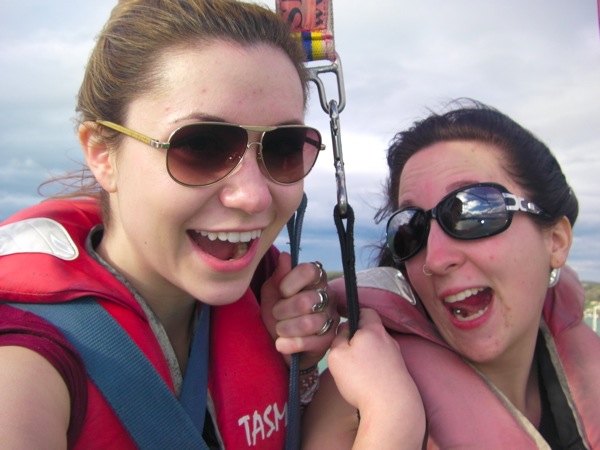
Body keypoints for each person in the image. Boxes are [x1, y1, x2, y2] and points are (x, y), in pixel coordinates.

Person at [0, 1, 341, 448]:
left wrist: (301, 370)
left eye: (283, 147)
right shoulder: (27, 364)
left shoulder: (268, 298)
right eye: (201, 145)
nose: (255, 195)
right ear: (103, 154)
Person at [304, 100, 600, 449]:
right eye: (411, 228)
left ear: (556, 241)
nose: (436, 259)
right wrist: (390, 420)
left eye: (474, 211)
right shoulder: (351, 405)